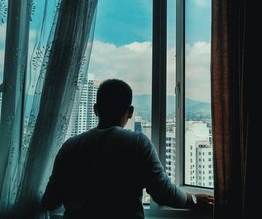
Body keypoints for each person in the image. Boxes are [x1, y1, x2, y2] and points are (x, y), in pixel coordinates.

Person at [41, 79, 214, 218]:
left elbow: (50, 200)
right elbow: (162, 192)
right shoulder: (137, 143)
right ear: (130, 112)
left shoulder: (70, 146)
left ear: (95, 110)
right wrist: (193, 200)